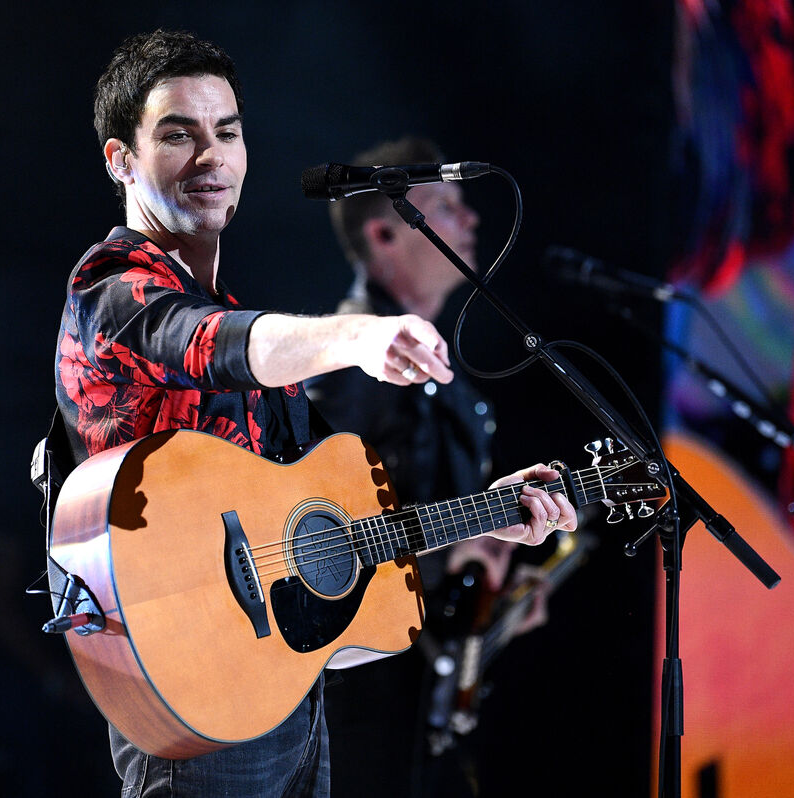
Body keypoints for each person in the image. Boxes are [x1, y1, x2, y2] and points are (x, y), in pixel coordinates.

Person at [52, 30, 577, 798]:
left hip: (285, 696)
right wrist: (356, 337)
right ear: (120, 160)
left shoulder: (232, 318)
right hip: (191, 698)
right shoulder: (110, 287)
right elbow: (204, 341)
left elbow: (334, 525)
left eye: (227, 131)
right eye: (178, 135)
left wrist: (489, 514)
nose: (211, 156)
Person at [306, 137, 550, 797]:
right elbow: (309, 535)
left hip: (418, 681)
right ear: (384, 234)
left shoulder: (447, 370)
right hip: (358, 690)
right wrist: (451, 552)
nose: (471, 219)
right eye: (444, 206)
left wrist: (495, 596)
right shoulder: (347, 359)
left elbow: (446, 527)